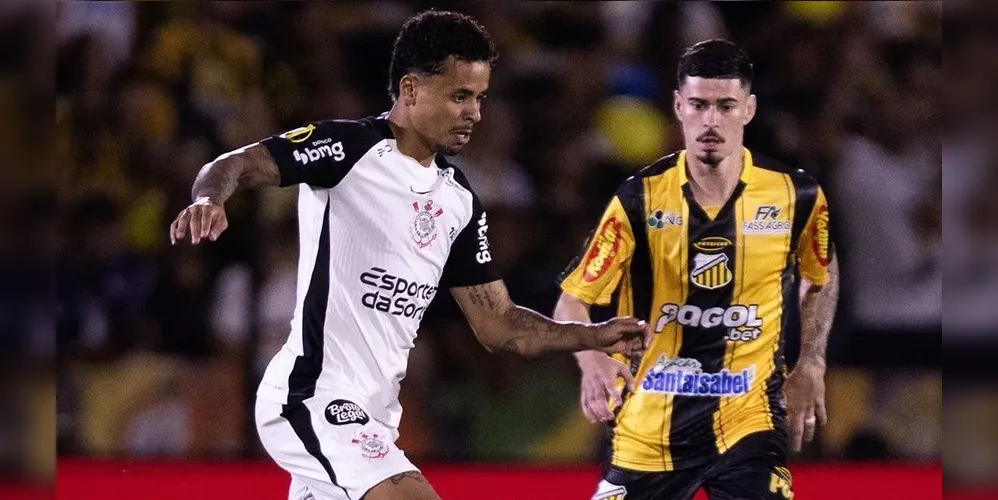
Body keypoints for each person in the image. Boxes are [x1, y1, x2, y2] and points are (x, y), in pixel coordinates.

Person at [168, 10, 651, 500]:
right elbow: (236, 163)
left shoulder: (459, 201)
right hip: (313, 398)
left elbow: (500, 325)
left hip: (376, 418)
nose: (474, 113)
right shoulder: (347, 149)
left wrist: (591, 335)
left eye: (479, 98)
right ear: (411, 89)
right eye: (460, 96)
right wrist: (209, 199)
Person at [555, 40, 839, 500]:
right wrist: (592, 361)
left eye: (726, 106)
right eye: (699, 105)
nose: (711, 121)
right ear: (678, 106)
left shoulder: (796, 196)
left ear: (749, 109)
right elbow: (572, 299)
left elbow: (822, 272)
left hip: (749, 422)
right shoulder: (638, 199)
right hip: (649, 431)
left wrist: (811, 361)